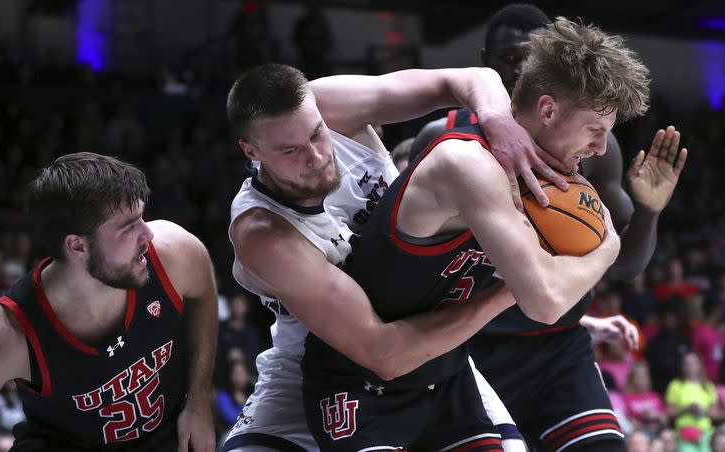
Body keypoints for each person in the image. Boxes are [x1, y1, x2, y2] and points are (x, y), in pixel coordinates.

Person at [301, 17, 651, 451]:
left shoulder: (528, 171)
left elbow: (548, 300)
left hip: (443, 372)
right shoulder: (468, 163)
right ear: (546, 111)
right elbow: (544, 300)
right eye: (594, 130)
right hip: (361, 378)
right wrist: (608, 247)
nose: (600, 148)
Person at [224, 63, 560, 451]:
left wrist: (500, 122)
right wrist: (518, 285)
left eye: (316, 134)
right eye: (290, 150)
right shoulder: (264, 232)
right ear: (252, 151)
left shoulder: (328, 105)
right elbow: (384, 352)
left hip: (432, 343)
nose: (316, 156)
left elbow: (470, 77)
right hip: (330, 362)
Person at [415, 5, 686, 450]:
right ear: (487, 61)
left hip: (556, 348)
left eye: (533, 55)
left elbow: (625, 268)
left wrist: (648, 212)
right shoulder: (444, 139)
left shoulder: (592, 148)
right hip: (468, 347)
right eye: (509, 55)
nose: (521, 65)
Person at [0, 152, 218, 452]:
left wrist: (199, 399)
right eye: (128, 227)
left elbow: (203, 292)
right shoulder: (9, 331)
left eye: (142, 216)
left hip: (163, 437)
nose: (148, 232)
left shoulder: (172, 252)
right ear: (78, 245)